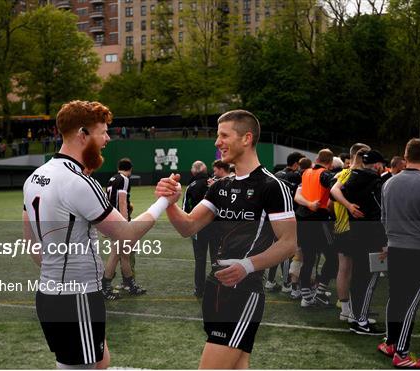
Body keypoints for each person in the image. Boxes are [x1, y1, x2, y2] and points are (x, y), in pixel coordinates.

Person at [23, 100, 175, 369]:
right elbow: (125, 235)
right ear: (82, 134)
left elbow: (33, 247)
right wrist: (164, 201)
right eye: (102, 132)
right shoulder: (78, 182)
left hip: (50, 293)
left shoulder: (36, 177)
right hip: (76, 299)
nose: (107, 139)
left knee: (101, 360)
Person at [155, 109, 296, 369]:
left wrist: (247, 265)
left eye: (223, 135)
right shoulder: (221, 186)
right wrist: (170, 203)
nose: (217, 142)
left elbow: (288, 243)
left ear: (246, 138)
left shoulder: (272, 186)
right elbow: (188, 227)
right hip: (215, 288)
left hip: (243, 292)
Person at [377, 139, 420, 368]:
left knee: (396, 296)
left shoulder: (389, 183)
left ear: (405, 156)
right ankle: (402, 353)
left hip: (395, 248)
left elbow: (383, 218)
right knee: (411, 303)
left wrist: (390, 240)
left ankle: (390, 342)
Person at [340, 150, 387, 335]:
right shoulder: (374, 181)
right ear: (377, 165)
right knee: (367, 279)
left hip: (354, 233)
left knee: (358, 277)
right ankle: (361, 321)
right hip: (370, 237)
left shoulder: (352, 177)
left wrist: (349, 206)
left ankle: (356, 316)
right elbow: (378, 214)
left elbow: (336, 191)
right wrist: (383, 241)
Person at [330, 143, 371, 322]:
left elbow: (330, 203)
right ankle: (354, 311)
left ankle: (346, 309)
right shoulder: (354, 174)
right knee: (356, 270)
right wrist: (349, 207)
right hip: (352, 228)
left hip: (340, 227)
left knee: (344, 268)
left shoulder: (340, 174)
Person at [294, 148, 337, 307]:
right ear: (330, 163)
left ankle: (306, 295)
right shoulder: (325, 174)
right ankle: (320, 291)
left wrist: (309, 203)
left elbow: (298, 195)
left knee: (309, 258)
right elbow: (335, 189)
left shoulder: (305, 173)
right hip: (320, 221)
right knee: (333, 257)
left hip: (303, 220)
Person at [102, 158, 146, 299]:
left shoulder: (112, 179)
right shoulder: (124, 179)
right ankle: (106, 287)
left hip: (111, 220)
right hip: (118, 223)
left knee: (124, 255)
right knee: (116, 255)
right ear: (130, 169)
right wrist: (125, 223)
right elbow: (122, 202)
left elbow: (106, 200)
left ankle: (130, 284)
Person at [266, 151, 304, 293]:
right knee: (288, 250)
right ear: (295, 164)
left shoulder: (277, 175)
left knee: (276, 248)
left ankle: (270, 280)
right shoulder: (294, 176)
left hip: (273, 218)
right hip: (288, 218)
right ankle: (287, 282)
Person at [183, 160, 215, 298]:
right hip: (215, 227)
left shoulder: (191, 186)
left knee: (200, 259)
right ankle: (217, 286)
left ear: (194, 171)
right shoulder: (215, 183)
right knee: (216, 259)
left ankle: (199, 289)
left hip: (198, 228)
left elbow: (185, 210)